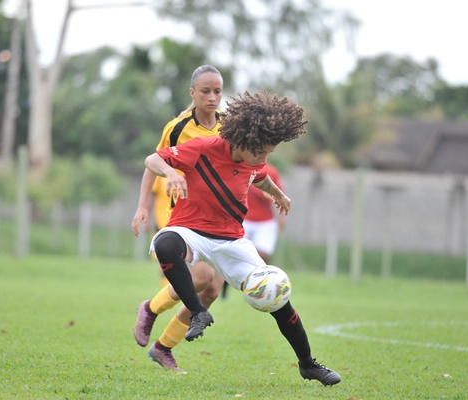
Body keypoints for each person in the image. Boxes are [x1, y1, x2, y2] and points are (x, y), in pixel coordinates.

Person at [131, 90, 341, 386]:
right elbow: (153, 159)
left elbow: (260, 176)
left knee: (278, 297)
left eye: (269, 153)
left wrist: (278, 194)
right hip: (190, 230)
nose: (263, 158)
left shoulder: (254, 157)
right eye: (260, 152)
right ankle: (198, 313)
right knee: (166, 244)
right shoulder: (202, 147)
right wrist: (172, 173)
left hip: (230, 240)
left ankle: (308, 364)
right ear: (241, 140)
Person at [132, 65, 226, 371]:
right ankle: (149, 308)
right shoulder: (177, 127)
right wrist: (142, 206)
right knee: (199, 277)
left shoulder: (229, 126)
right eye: (205, 91)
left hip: (218, 220)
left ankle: (163, 348)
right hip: (183, 217)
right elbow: (153, 163)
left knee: (213, 288)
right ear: (192, 93)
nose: (212, 98)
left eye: (217, 92)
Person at [221, 163, 286, 299]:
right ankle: (224, 290)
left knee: (262, 256)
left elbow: (279, 193)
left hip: (265, 222)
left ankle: (261, 289)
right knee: (234, 255)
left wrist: (281, 218)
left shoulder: (272, 172)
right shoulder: (240, 167)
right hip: (244, 219)